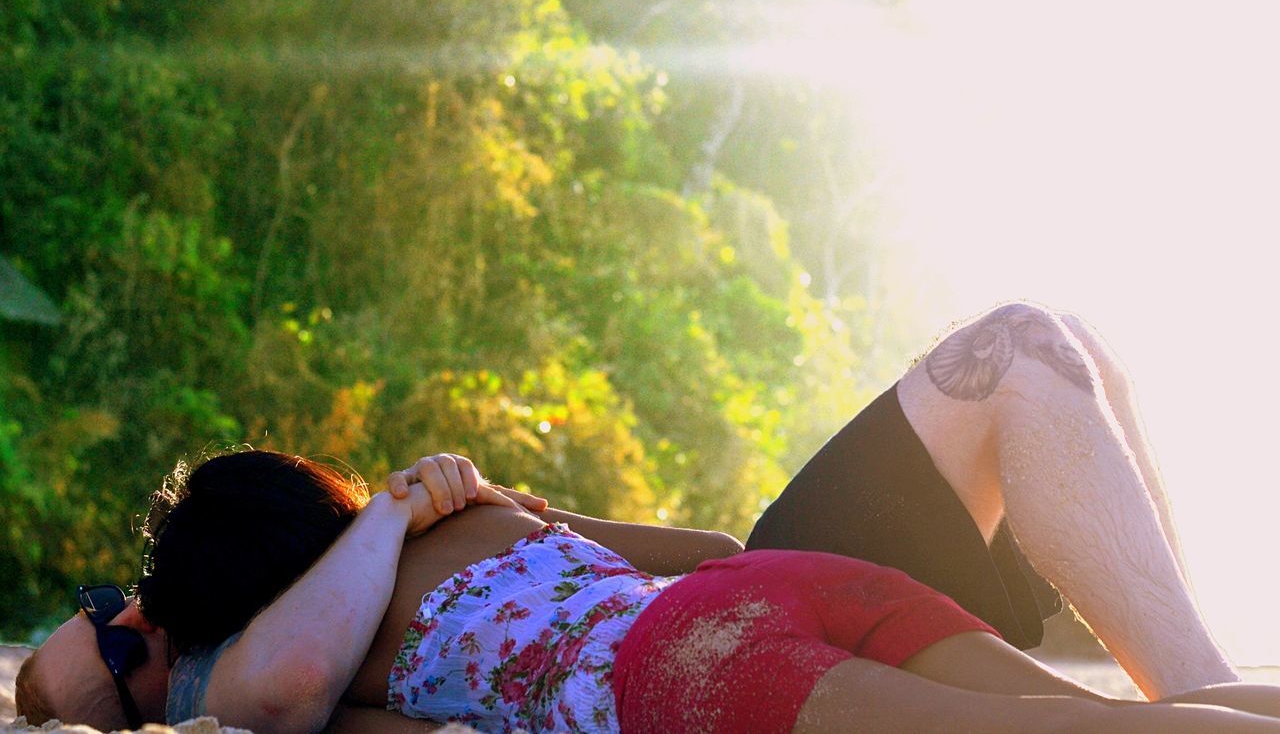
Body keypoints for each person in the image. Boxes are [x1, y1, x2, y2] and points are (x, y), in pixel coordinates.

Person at [17, 301, 1278, 731]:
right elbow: (84, 688)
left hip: (720, 623)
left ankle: (1199, 684)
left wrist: (444, 508)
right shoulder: (337, 613)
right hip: (727, 623)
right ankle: (1203, 694)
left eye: (124, 613)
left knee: (1043, 346)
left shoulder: (406, 561)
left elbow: (722, 561)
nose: (124, 614)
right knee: (1095, 721)